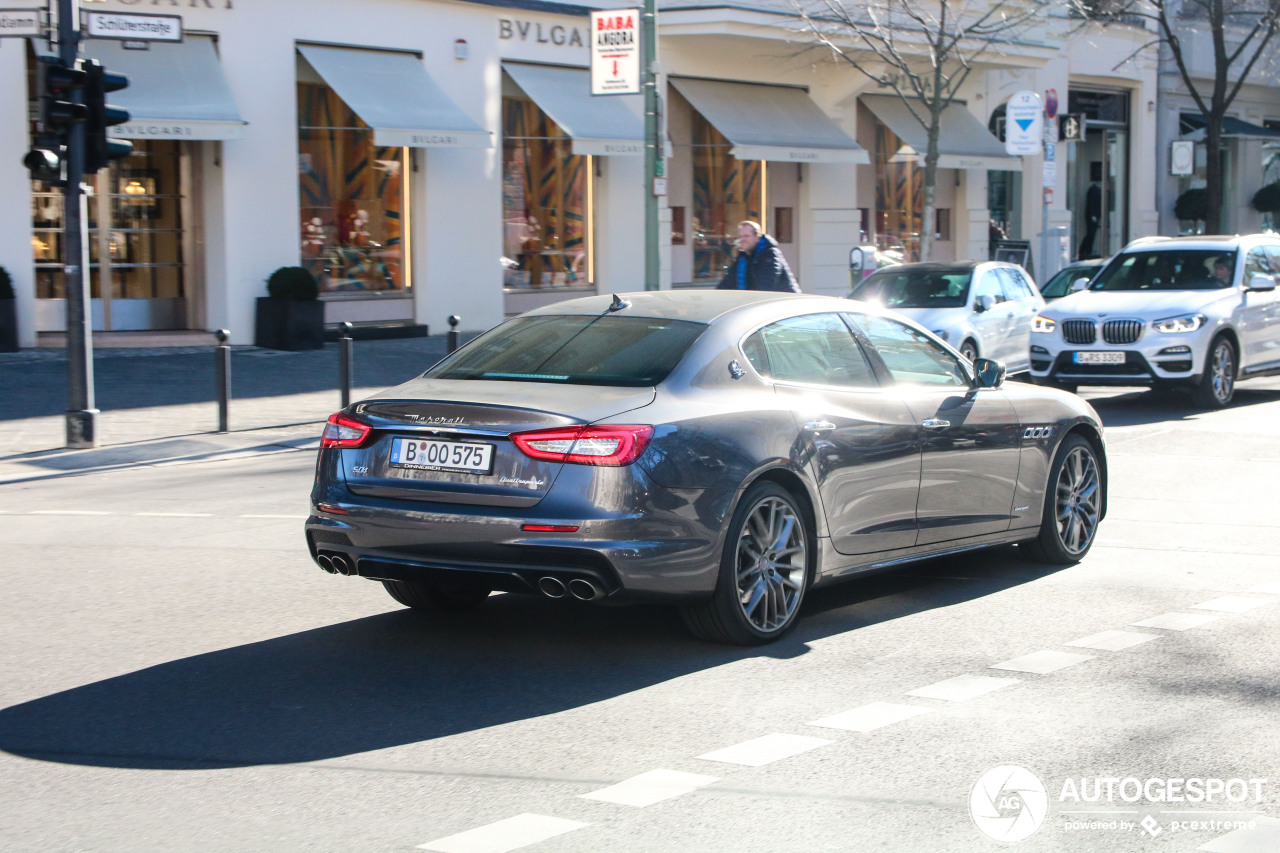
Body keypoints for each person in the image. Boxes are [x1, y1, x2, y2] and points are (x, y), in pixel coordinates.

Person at [716, 220, 800, 292]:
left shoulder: (770, 254)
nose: (742, 240)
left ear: (757, 238)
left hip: (786, 305)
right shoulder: (743, 258)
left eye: (746, 236)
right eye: (740, 236)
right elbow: (728, 282)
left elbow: (766, 286)